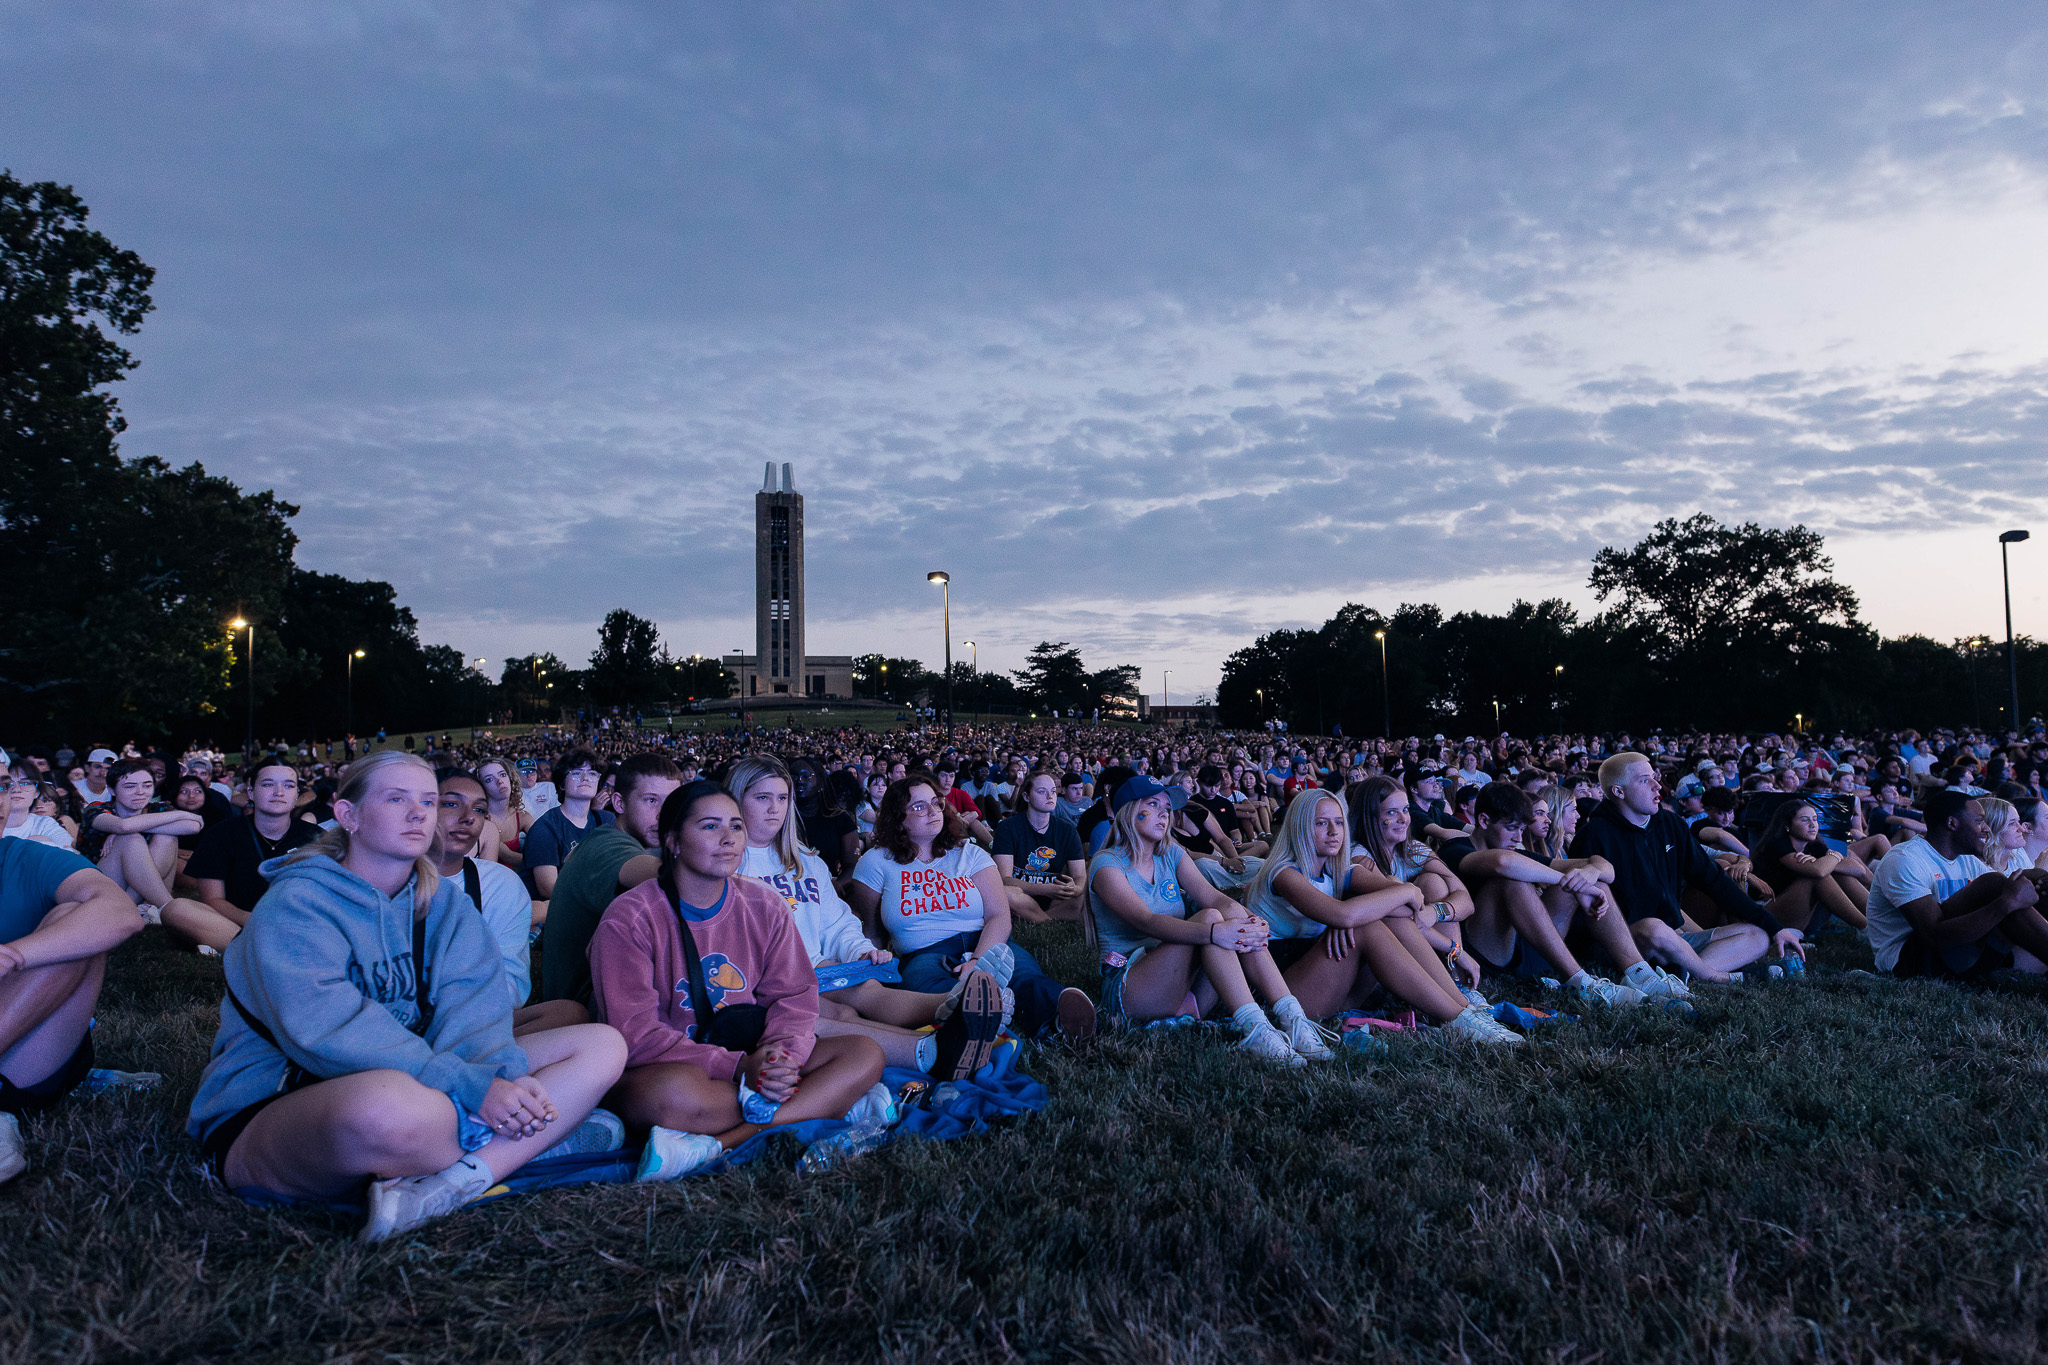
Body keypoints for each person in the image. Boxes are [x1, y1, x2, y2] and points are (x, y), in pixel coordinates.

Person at [182, 750, 628, 1240]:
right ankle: (534, 1143)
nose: (420, 813)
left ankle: (458, 1181)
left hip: (429, 1090)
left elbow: (476, 1018)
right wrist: (475, 1088)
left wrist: (499, 1079)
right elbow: (325, 1031)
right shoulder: (296, 904)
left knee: (601, 1044)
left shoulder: (448, 909)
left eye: (428, 801)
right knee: (385, 1107)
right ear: (348, 815)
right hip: (286, 1101)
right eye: (397, 799)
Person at [589, 781, 887, 1181]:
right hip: (675, 1067)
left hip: (754, 1055)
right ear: (673, 841)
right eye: (710, 827)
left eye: (735, 826)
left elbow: (794, 997)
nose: (728, 839)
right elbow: (637, 1034)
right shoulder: (630, 918)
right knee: (672, 1097)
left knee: (865, 1053)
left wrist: (782, 1059)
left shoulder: (765, 904)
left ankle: (722, 1143)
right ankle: (822, 1104)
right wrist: (740, 1068)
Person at [727, 755, 996, 1077]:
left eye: (782, 798)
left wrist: (859, 949)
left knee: (868, 990)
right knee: (836, 1013)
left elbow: (837, 922)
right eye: (762, 798)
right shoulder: (726, 866)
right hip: (766, 980)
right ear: (735, 800)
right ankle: (932, 1052)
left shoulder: (807, 864)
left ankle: (957, 1003)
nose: (775, 808)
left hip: (818, 964)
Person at [1243, 786, 1522, 1044]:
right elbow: (1344, 914)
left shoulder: (1341, 870)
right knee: (1369, 925)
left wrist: (1453, 948)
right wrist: (1399, 894)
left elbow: (1403, 910)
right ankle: (1457, 1018)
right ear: (1299, 827)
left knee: (1384, 916)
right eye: (1321, 823)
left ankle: (1462, 1008)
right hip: (1282, 992)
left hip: (1331, 981)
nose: (1333, 831)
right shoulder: (1284, 873)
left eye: (1339, 822)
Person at [1087, 775, 1318, 1063]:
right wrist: (1213, 934)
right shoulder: (1107, 864)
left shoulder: (1171, 853)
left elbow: (1214, 897)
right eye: (1154, 804)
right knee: (1211, 920)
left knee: (1227, 913)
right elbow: (1145, 920)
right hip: (1129, 989)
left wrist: (1250, 920)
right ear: (1130, 811)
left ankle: (1292, 1018)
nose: (1164, 813)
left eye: (1168, 808)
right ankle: (1255, 1029)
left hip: (1184, 989)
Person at [848, 772, 1095, 1040]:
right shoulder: (876, 863)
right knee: (930, 990)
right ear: (898, 817)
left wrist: (978, 960)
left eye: (936, 802)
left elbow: (999, 914)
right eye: (919, 806)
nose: (933, 811)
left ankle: (1058, 1018)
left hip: (987, 943)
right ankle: (979, 1014)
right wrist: (869, 960)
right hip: (924, 953)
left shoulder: (969, 853)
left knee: (1026, 978)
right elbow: (872, 930)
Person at [0, 827, 146, 1182]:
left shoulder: (26, 857)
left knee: (79, 914)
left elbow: (121, 914)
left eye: (2, 785)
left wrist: (16, 956)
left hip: (19, 1044)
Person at [1569, 754, 1793, 983]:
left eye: (1654, 777)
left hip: (1676, 936)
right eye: (1645, 780)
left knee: (1757, 936)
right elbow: (1585, 911)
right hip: (1629, 942)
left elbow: (1713, 879)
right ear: (1618, 791)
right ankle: (1717, 976)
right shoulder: (1593, 836)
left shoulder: (1670, 824)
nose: (1658, 786)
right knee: (1654, 928)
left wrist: (1774, 927)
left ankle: (1685, 973)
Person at [435, 770, 586, 1035]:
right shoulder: (388, 880)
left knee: (572, 1015)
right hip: (402, 1025)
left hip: (474, 1018)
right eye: (450, 804)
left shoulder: (497, 883)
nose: (468, 816)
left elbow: (511, 986)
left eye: (479, 809)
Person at [539, 754, 681, 1007]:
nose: (664, 814)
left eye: (672, 803)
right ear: (619, 803)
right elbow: (670, 878)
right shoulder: (607, 845)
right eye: (651, 800)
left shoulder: (645, 839)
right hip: (584, 1010)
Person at [159, 762, 321, 953]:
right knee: (176, 909)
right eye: (268, 784)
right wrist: (257, 920)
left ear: (296, 795)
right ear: (251, 792)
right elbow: (213, 900)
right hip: (238, 921)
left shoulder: (317, 838)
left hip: (300, 924)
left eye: (288, 785)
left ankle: (252, 950)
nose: (279, 792)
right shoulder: (221, 834)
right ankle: (265, 950)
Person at [1347, 775, 1479, 989]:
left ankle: (1458, 984)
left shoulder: (1413, 850)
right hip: (1377, 960)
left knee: (1434, 881)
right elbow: (1404, 919)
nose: (1403, 819)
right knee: (1397, 886)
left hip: (1417, 943)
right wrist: (1456, 949)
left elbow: (1465, 900)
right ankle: (1451, 989)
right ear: (1369, 817)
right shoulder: (1359, 858)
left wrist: (1434, 912)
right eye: (1391, 812)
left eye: (1406, 810)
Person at [80, 758, 204, 917]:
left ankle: (134, 907)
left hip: (147, 887)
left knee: (165, 837)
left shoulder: (159, 808)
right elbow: (123, 827)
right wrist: (182, 814)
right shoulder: (96, 808)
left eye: (147, 785)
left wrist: (128, 827)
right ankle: (168, 907)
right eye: (130, 786)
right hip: (102, 885)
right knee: (130, 838)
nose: (140, 792)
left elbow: (192, 827)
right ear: (111, 790)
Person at [1751, 798, 1869, 932]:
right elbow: (1818, 871)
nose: (1813, 825)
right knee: (1817, 876)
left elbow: (1859, 870)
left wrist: (1827, 860)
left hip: (1797, 912)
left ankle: (1880, 918)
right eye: (1805, 819)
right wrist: (1832, 857)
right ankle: (1867, 928)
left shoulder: (1813, 845)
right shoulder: (1778, 845)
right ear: (1787, 825)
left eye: (1814, 819)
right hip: (1765, 915)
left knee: (1835, 871)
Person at [993, 768, 1087, 924]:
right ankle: (1049, 923)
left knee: (1084, 895)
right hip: (1020, 893)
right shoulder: (1008, 827)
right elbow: (1005, 879)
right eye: (1042, 791)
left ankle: (1037, 919)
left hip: (1055, 897)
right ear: (1026, 796)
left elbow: (1080, 876)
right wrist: (1046, 889)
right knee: (1005, 893)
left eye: (1053, 791)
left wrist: (1076, 888)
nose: (1050, 796)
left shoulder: (1067, 830)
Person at [522, 748, 613, 903]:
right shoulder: (545, 829)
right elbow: (549, 889)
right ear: (562, 784)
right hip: (560, 911)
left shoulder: (607, 820)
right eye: (576, 773)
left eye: (592, 774)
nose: (585, 778)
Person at [474, 756, 533, 871]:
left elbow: (545, 854)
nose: (499, 781)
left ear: (510, 778)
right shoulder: (477, 819)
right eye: (489, 779)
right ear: (481, 787)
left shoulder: (522, 816)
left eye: (502, 774)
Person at [4, 771, 73, 850]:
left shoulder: (53, 823)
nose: (39, 806)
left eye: (46, 801)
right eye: (35, 803)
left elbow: (67, 852)